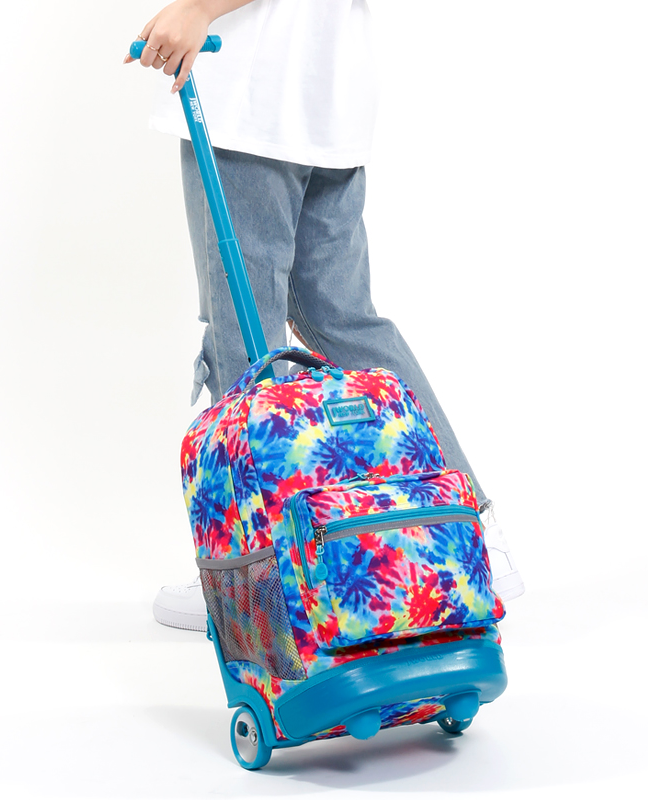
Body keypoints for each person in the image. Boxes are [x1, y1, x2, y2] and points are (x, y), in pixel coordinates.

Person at [125, 0, 524, 631]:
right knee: (344, 325)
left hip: (253, 103)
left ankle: (256, 585)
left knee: (245, 338)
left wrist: (200, 8)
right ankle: (470, 535)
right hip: (328, 100)